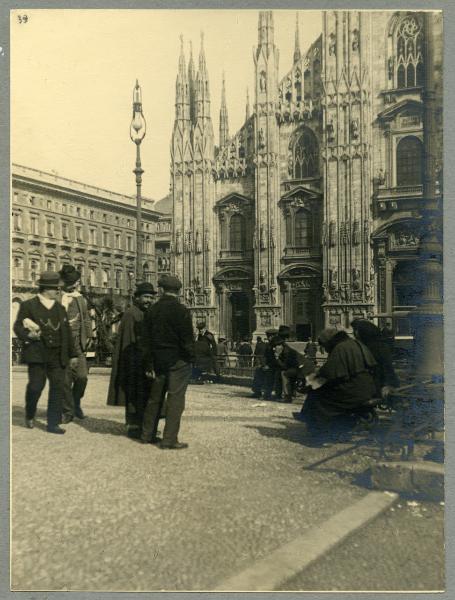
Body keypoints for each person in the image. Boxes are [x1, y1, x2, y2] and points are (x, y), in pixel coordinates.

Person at [13, 271, 78, 434]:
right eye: (56, 288)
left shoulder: (60, 308)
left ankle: (53, 423)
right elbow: (18, 327)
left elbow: (67, 332)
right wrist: (28, 334)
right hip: (37, 354)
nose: (58, 291)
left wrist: (73, 354)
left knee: (57, 388)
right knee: (36, 386)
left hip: (57, 356)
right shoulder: (28, 306)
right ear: (45, 289)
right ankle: (29, 413)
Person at [141, 275, 195, 450]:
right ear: (178, 292)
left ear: (162, 290)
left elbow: (145, 341)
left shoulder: (152, 310)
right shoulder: (182, 311)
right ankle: (169, 439)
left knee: (155, 398)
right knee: (175, 399)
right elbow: (187, 340)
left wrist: (149, 364)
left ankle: (147, 435)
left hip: (157, 360)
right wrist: (191, 358)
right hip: (178, 361)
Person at [299, 328, 377, 433]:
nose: (325, 349)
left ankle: (319, 431)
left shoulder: (340, 348)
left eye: (324, 345)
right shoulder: (355, 343)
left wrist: (312, 383)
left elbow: (330, 373)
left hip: (354, 390)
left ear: (328, 341)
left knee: (317, 396)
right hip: (368, 387)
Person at [107, 282, 157, 438]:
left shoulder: (144, 312)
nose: (148, 300)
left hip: (143, 360)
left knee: (142, 395)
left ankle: (140, 425)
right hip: (134, 362)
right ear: (137, 298)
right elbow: (129, 341)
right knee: (134, 394)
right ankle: (134, 426)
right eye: (145, 297)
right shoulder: (131, 314)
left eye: (151, 297)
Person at [59, 265, 93, 423]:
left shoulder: (80, 298)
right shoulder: (57, 297)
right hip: (62, 345)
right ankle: (68, 411)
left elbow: (86, 318)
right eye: (74, 281)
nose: (77, 284)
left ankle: (75, 402)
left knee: (82, 377)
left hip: (78, 344)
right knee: (65, 381)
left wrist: (89, 336)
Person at [351, 319, 399, 398]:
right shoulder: (371, 345)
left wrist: (387, 385)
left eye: (355, 330)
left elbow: (386, 368)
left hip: (376, 386)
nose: (354, 334)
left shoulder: (377, 347)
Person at [277, 325, 299, 402]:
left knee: (284, 374)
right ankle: (290, 393)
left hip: (293, 369)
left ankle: (287, 396)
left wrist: (277, 358)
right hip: (297, 367)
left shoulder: (285, 348)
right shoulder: (287, 346)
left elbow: (284, 365)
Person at [251, 329, 276, 398]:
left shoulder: (277, 345)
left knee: (268, 373)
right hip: (270, 365)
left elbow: (277, 359)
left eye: (270, 336)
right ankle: (257, 391)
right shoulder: (268, 345)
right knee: (258, 370)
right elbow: (266, 357)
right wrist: (263, 365)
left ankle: (267, 393)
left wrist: (268, 365)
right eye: (268, 336)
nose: (269, 338)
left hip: (277, 366)